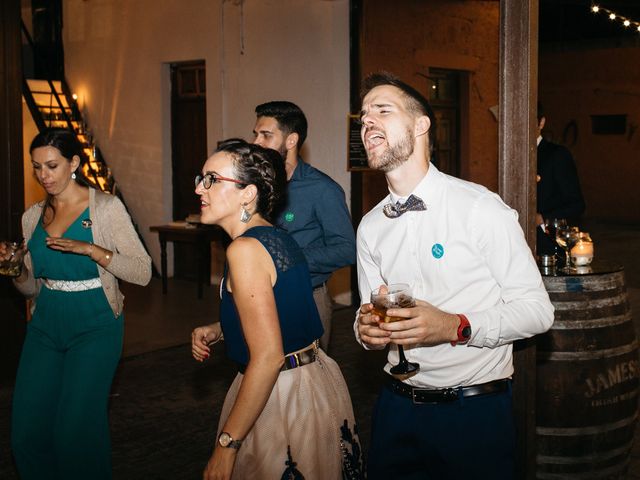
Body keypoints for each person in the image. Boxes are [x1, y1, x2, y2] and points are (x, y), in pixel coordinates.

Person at [355, 72, 555, 479]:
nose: (367, 122)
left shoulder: (480, 208)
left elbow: (537, 312)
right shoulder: (370, 226)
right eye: (362, 117)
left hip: (473, 411)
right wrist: (366, 331)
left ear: (421, 125)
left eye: (382, 111)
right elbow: (368, 318)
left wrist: (453, 326)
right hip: (394, 408)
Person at [190, 139, 363, 480]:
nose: (200, 188)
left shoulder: (244, 250)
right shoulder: (275, 236)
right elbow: (282, 307)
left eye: (212, 179)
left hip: (280, 392)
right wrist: (222, 327)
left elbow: (268, 357)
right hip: (311, 378)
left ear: (247, 193)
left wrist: (227, 445)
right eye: (201, 178)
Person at [5, 128, 152, 479]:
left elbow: (142, 271)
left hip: (96, 324)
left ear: (74, 162)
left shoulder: (105, 208)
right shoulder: (32, 217)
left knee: (75, 432)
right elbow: (30, 290)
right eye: (36, 167)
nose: (44, 176)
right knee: (26, 432)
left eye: (52, 166)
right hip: (45, 325)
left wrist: (92, 250)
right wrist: (14, 270)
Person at [252, 101, 356, 352]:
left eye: (266, 135)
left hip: (305, 298)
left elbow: (347, 248)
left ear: (291, 140)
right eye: (255, 134)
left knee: (306, 382)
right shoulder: (253, 187)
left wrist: (288, 261)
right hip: (258, 296)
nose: (256, 142)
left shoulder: (321, 189)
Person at [536, 103, 586, 255]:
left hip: (547, 246)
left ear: (541, 122)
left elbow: (577, 205)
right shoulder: (510, 154)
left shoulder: (557, 154)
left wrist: (543, 217)